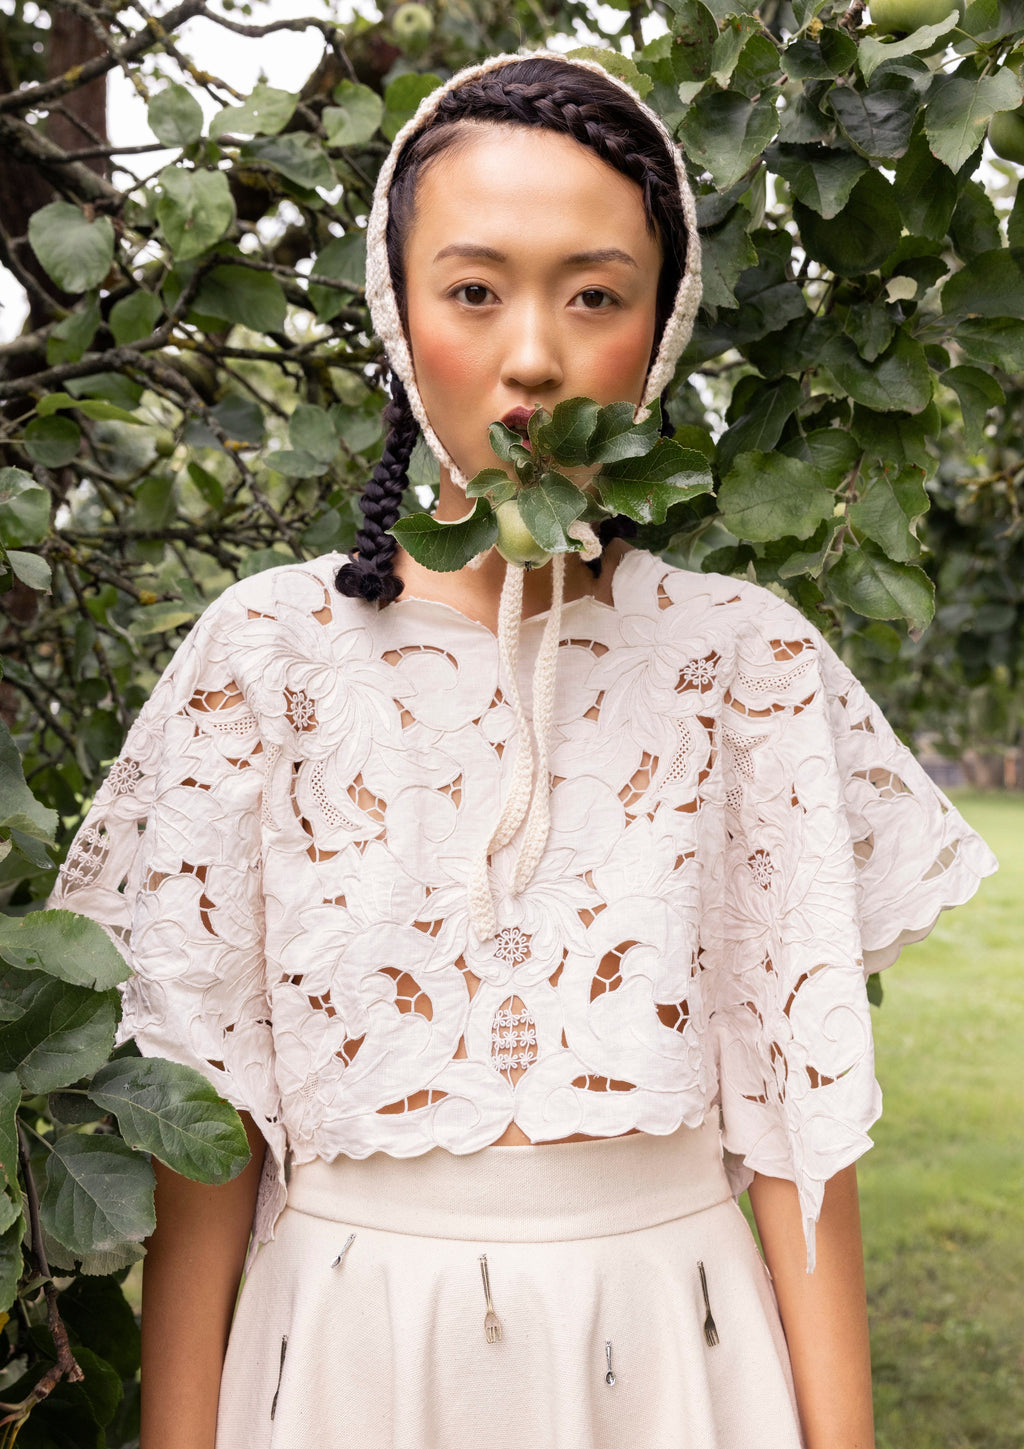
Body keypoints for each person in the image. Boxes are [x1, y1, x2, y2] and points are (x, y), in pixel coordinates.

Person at [50, 51, 998, 1449]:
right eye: (476, 289)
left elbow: (806, 1143)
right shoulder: (264, 659)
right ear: (400, 310)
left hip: (677, 1349)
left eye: (595, 293)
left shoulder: (749, 663)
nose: (537, 352)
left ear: (658, 327)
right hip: (346, 1359)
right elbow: (210, 1142)